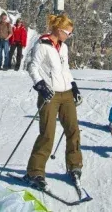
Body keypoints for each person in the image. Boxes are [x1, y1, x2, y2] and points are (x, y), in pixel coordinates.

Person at [25, 13, 83, 191]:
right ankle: (34, 172)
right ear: (58, 30)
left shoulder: (63, 47)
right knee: (48, 134)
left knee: (73, 129)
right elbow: (32, 66)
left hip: (65, 93)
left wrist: (73, 86)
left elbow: (65, 69)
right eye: (68, 32)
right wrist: (40, 84)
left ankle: (74, 166)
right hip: (49, 94)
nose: (69, 36)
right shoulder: (42, 46)